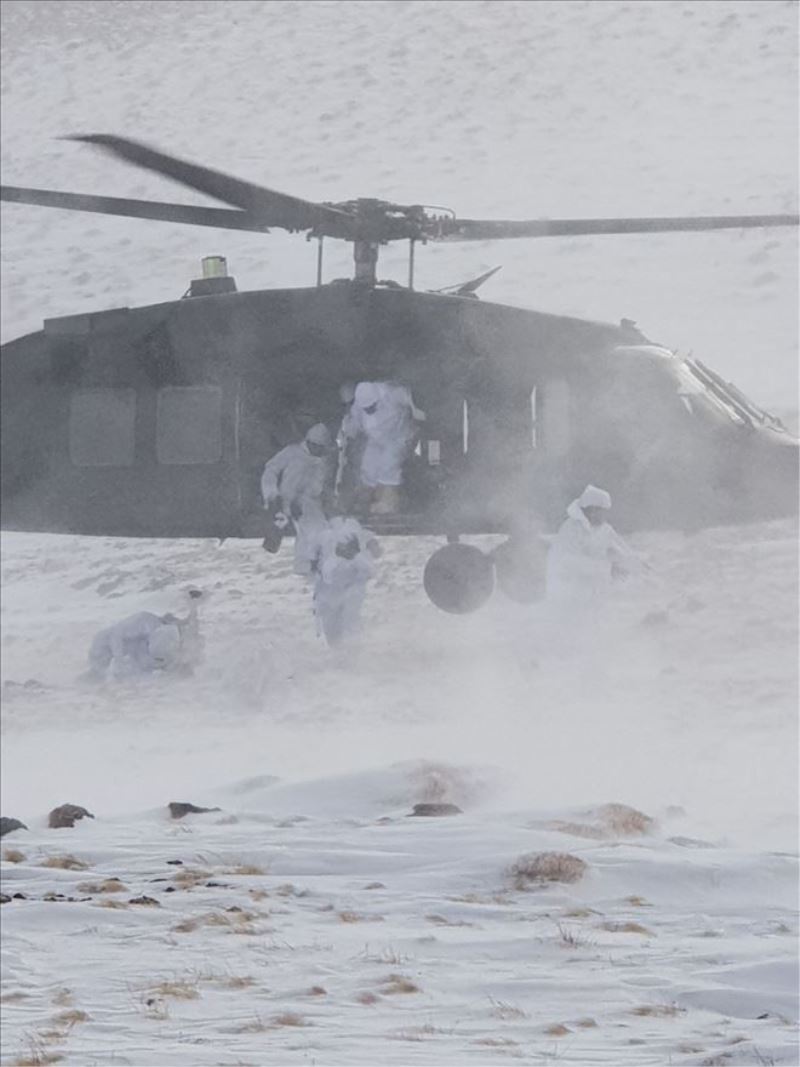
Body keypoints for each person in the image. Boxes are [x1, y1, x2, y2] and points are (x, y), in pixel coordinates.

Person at [545, 485, 641, 608]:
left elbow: (622, 550)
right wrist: (607, 569)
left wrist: (635, 564)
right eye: (603, 511)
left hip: (592, 595)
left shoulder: (605, 529)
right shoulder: (571, 528)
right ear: (592, 511)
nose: (606, 516)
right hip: (565, 594)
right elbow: (569, 562)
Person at [260, 423, 335, 575]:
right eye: (317, 447)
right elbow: (271, 470)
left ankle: (309, 565)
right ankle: (305, 565)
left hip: (309, 502)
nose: (319, 451)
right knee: (285, 528)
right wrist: (271, 494)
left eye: (322, 448)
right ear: (309, 443)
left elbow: (322, 485)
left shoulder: (323, 461)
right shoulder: (292, 452)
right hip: (284, 500)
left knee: (318, 530)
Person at [339, 381, 425, 514]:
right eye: (366, 408)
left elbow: (408, 396)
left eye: (372, 406)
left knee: (388, 466)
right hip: (375, 439)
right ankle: (366, 501)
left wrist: (415, 410)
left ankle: (389, 503)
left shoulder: (391, 393)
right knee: (368, 467)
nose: (370, 410)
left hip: (397, 437)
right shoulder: (358, 406)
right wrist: (349, 434)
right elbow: (354, 424)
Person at [84, 589, 205, 681]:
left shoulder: (149, 625)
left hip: (132, 648)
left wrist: (193, 608)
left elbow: (116, 636)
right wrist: (119, 660)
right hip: (119, 648)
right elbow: (117, 635)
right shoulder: (144, 623)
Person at [310, 516, 382, 647]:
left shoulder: (359, 554)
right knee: (331, 630)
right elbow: (318, 570)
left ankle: (352, 650)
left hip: (352, 589)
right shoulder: (325, 541)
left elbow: (373, 566)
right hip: (328, 593)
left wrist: (357, 555)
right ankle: (338, 651)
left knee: (350, 622)